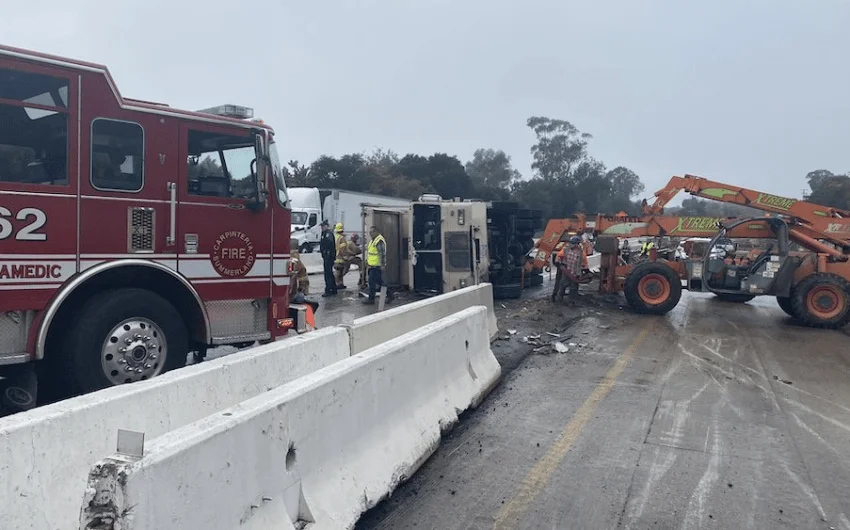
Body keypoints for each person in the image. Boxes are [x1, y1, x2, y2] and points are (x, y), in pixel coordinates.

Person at [363, 225, 392, 305]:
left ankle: (371, 299)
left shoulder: (379, 241)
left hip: (377, 266)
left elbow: (382, 253)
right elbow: (371, 253)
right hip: (372, 265)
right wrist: (367, 261)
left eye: (372, 232)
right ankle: (390, 295)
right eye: (370, 232)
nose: (370, 234)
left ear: (376, 232)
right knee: (380, 282)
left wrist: (382, 264)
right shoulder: (373, 240)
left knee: (372, 282)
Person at [555, 235, 583, 303]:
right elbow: (558, 257)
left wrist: (578, 273)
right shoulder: (565, 249)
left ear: (577, 244)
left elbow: (580, 263)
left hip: (574, 272)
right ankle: (559, 299)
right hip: (566, 271)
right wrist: (559, 262)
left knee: (573, 288)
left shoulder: (580, 252)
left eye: (573, 243)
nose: (572, 245)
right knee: (562, 286)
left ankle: (571, 301)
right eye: (571, 243)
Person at [288, 238, 309, 304]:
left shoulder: (293, 258)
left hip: (299, 289)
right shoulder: (296, 257)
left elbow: (293, 276)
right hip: (302, 288)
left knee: (299, 298)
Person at [319, 220, 337, 297]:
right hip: (326, 256)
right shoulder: (324, 233)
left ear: (326, 226)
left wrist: (325, 251)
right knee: (329, 273)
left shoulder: (328, 234)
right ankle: (333, 288)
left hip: (329, 256)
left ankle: (329, 289)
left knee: (328, 274)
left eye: (323, 226)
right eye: (321, 226)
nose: (321, 228)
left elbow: (328, 243)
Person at [332, 222, 348, 290]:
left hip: (335, 257)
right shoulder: (342, 238)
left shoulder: (334, 236)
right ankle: (337, 284)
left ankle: (340, 284)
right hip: (340, 257)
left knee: (339, 271)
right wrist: (345, 256)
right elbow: (343, 249)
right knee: (339, 272)